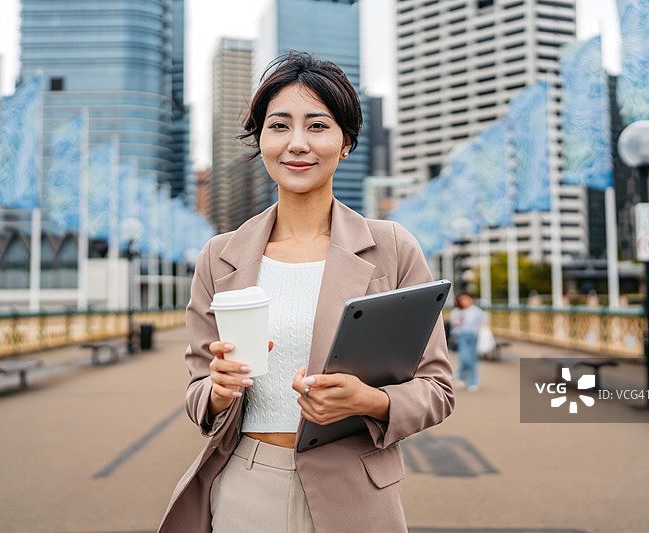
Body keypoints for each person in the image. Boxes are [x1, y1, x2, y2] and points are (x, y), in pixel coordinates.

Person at [158, 52, 454, 533]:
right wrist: (218, 390)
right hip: (245, 486)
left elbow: (437, 390)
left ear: (347, 142)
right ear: (261, 140)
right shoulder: (219, 256)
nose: (297, 144)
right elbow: (197, 392)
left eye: (317, 126)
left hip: (355, 491)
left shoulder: (393, 248)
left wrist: (368, 401)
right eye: (279, 126)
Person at [449, 293, 487, 391]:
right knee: (464, 358)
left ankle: (473, 382)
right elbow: (453, 324)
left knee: (473, 359)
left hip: (474, 336)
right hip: (461, 336)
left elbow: (484, 321)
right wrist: (460, 321)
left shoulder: (477, 311)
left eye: (466, 299)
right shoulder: (457, 312)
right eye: (462, 300)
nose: (464, 302)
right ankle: (461, 376)